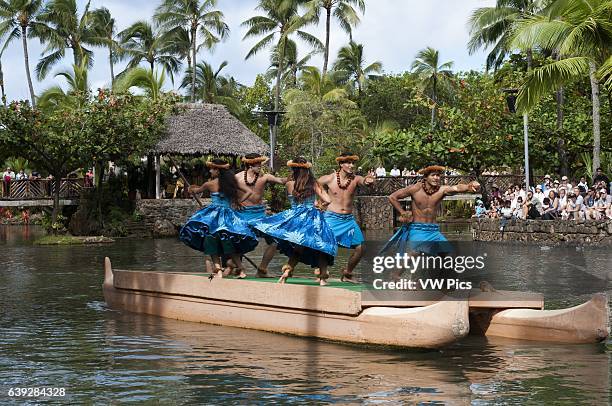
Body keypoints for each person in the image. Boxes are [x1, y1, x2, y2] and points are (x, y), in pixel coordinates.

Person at [253, 158, 337, 286]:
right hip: (311, 219)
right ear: (307, 170)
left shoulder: (289, 184)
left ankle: (286, 272)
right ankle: (322, 278)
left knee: (298, 248)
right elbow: (328, 200)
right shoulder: (313, 183)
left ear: (294, 169)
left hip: (295, 218)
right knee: (321, 247)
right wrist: (320, 206)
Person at [180, 159, 258, 278]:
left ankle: (218, 269)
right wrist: (237, 203)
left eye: (212, 169)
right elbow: (248, 191)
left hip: (214, 217)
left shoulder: (210, 184)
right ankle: (241, 269)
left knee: (210, 242)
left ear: (218, 170)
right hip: (228, 216)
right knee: (229, 244)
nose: (210, 171)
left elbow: (196, 191)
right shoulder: (232, 183)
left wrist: (191, 189)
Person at [384, 165, 480, 256]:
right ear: (425, 177)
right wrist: (403, 212)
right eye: (433, 175)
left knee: (450, 255)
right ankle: (395, 274)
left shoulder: (442, 190)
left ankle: (440, 274)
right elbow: (392, 197)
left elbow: (457, 188)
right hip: (417, 229)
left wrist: (468, 186)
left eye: (438, 175)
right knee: (416, 252)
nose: (436, 178)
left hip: (434, 231)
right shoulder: (415, 189)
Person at [318, 153, 375, 282]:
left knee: (361, 248)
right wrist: (320, 200)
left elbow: (364, 181)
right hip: (331, 217)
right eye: (348, 163)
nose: (351, 165)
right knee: (325, 246)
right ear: (341, 164)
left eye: (353, 163)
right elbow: (315, 184)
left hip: (348, 219)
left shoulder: (355, 179)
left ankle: (348, 273)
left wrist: (369, 180)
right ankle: (322, 274)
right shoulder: (330, 178)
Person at [234, 153, 288, 277]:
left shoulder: (264, 177)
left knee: (274, 241)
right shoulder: (237, 177)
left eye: (260, 164)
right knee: (237, 242)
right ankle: (237, 267)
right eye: (257, 164)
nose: (260, 166)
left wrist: (291, 177)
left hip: (260, 215)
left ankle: (262, 269)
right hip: (242, 214)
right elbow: (227, 191)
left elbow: (281, 181)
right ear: (249, 165)